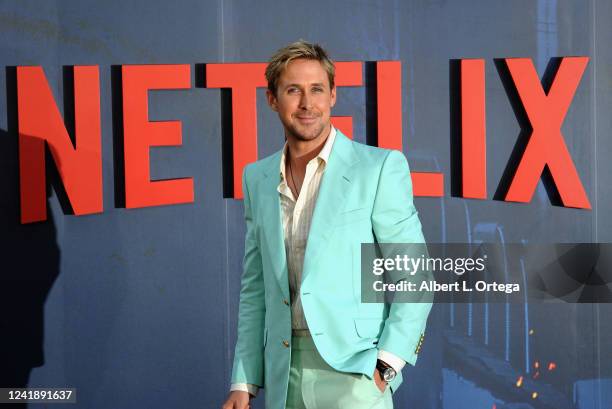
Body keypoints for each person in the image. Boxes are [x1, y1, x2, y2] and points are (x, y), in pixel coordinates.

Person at [221, 40, 432, 409]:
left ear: (333, 95)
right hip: (282, 374)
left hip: (356, 375)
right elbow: (256, 288)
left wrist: (388, 364)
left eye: (317, 89)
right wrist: (243, 379)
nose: (307, 103)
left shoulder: (378, 168)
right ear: (272, 99)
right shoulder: (257, 177)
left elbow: (415, 275)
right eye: (293, 90)